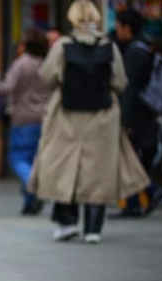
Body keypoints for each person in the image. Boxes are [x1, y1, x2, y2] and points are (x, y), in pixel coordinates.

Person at [28, 0, 149, 244]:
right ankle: (93, 228)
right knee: (98, 173)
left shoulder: (62, 45)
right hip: (102, 117)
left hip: (66, 116)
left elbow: (47, 76)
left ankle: (67, 222)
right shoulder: (109, 46)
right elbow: (120, 81)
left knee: (64, 168)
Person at [110, 9, 162, 219]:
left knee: (128, 158)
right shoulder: (144, 48)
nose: (117, 31)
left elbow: (130, 88)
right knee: (130, 157)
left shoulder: (134, 53)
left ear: (127, 27)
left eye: (119, 26)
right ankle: (137, 199)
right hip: (144, 112)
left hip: (136, 114)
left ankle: (147, 191)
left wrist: (125, 119)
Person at [0, 28, 51, 215]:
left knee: (18, 158)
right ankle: (30, 202)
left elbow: (6, 88)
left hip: (23, 118)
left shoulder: (21, 64)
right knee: (34, 160)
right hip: (45, 117)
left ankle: (33, 187)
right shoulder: (47, 63)